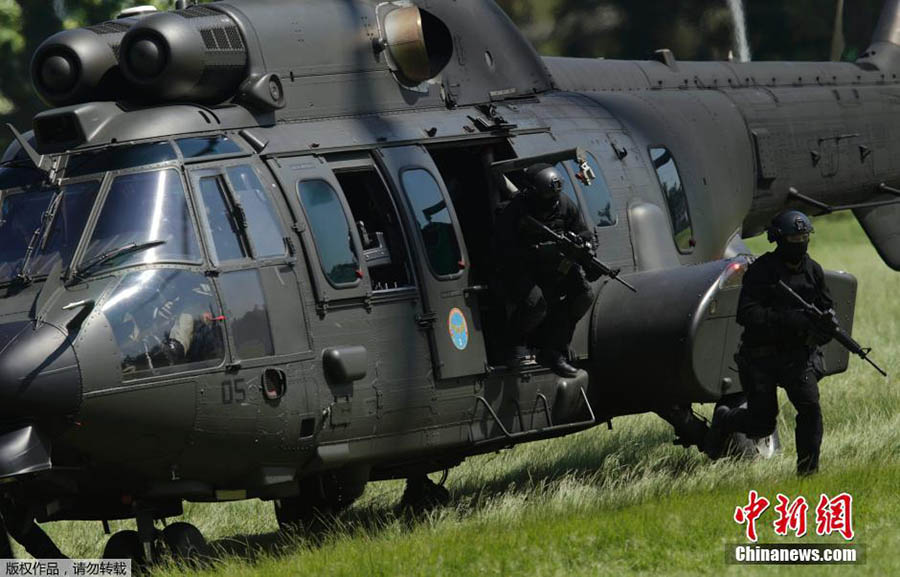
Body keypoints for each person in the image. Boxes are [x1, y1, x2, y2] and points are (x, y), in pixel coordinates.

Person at [706, 210, 834, 475]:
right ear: (779, 239)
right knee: (762, 424)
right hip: (761, 358)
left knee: (810, 410)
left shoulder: (813, 272)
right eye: (794, 237)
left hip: (797, 358)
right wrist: (788, 319)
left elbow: (826, 310)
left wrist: (822, 330)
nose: (800, 242)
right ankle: (725, 419)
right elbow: (746, 314)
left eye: (803, 236)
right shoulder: (761, 271)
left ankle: (808, 473)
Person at [494, 163, 595, 377]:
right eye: (547, 198)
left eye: (554, 198)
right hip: (521, 269)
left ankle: (554, 349)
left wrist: (582, 244)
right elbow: (503, 250)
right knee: (535, 305)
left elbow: (584, 232)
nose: (552, 202)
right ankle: (512, 346)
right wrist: (539, 251)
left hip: (556, 266)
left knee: (584, 295)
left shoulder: (565, 204)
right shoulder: (513, 211)